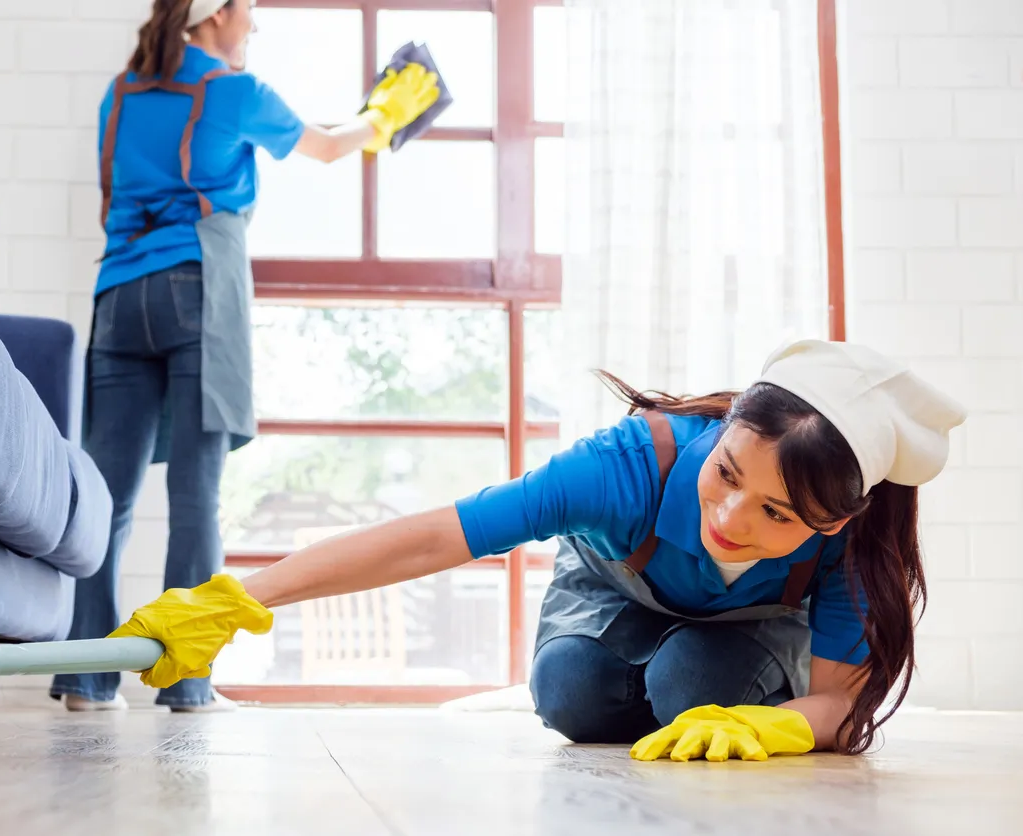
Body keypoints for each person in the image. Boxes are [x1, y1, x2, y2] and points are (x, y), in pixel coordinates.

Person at [112, 339, 967, 761]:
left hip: (740, 631)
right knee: (569, 691)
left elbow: (836, 702)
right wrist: (240, 597)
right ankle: (655, 693)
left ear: (829, 524)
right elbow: (435, 536)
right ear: (725, 427)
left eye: (776, 513)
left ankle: (688, 690)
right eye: (729, 471)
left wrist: (776, 727)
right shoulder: (631, 467)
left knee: (692, 688)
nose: (733, 517)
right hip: (614, 596)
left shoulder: (857, 554)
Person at [50, 0, 441, 713]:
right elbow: (325, 147)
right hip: (196, 285)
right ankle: (188, 682)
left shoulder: (122, 90)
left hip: (116, 296)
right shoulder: (235, 91)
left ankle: (86, 679)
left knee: (106, 498)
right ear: (216, 16)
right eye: (248, 15)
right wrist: (383, 118)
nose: (253, 30)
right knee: (196, 496)